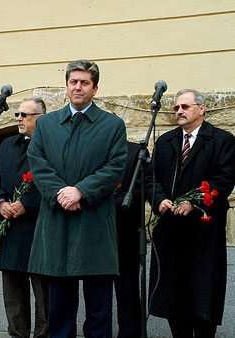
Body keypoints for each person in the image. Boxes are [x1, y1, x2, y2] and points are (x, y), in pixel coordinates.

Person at [27, 59, 128, 338]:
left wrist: (81, 191)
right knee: (59, 307)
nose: (78, 87)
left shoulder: (112, 125)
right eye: (73, 82)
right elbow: (37, 162)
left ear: (95, 88)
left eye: (85, 82)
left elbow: (115, 167)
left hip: (94, 222)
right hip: (58, 222)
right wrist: (61, 193)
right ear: (67, 86)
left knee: (98, 307)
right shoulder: (47, 124)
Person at [147, 89, 235, 337]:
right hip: (171, 233)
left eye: (185, 107)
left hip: (203, 235)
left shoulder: (221, 140)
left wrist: (195, 203)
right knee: (174, 299)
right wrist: (160, 200)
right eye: (176, 108)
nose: (179, 112)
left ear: (202, 109)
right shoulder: (166, 141)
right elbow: (151, 178)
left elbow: (224, 179)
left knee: (202, 298)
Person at [0, 97, 50, 338]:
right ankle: (17, 334)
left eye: (25, 115)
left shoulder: (50, 145)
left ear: (40, 118)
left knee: (43, 292)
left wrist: (26, 204)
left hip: (37, 228)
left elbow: (52, 182)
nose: (19, 119)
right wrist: (1, 202)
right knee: (13, 292)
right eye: (18, 114)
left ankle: (44, 334)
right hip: (9, 227)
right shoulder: (7, 145)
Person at [112, 141, 146, 338]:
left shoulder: (135, 152)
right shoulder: (88, 149)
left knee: (127, 291)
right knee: (95, 291)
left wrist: (106, 201)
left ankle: (129, 333)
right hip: (92, 234)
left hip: (123, 233)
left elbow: (140, 192)